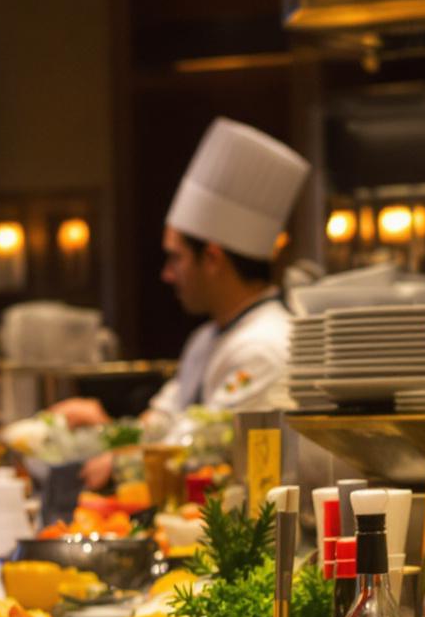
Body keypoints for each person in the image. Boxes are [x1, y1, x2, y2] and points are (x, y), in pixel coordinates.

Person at [89, 119, 310, 449]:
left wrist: (112, 443)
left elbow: (200, 447)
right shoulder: (204, 340)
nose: (167, 274)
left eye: (175, 258)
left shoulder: (266, 346)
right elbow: (165, 418)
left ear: (212, 259)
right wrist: (104, 430)